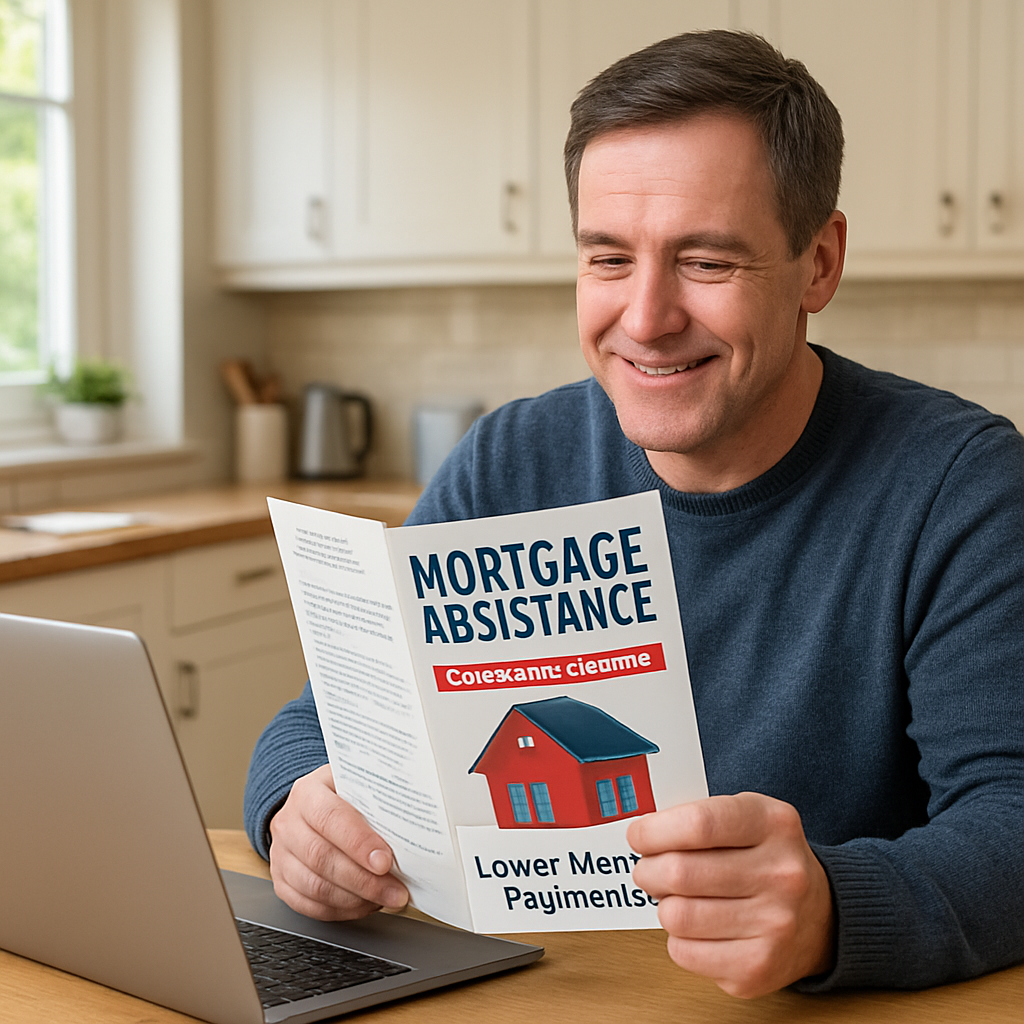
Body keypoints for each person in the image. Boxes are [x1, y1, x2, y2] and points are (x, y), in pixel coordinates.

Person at [245, 30, 1024, 997]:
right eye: (608, 259)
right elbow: (328, 722)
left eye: (706, 261)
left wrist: (832, 906)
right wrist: (294, 812)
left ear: (819, 263)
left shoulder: (963, 486)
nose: (646, 318)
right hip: (533, 993)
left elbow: (1013, 814)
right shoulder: (508, 461)